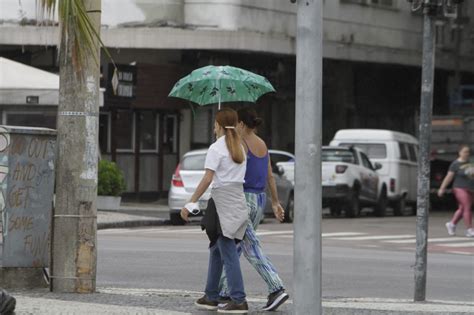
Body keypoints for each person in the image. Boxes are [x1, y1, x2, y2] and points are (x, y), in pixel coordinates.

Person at [219, 107, 289, 312]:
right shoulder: (263, 144)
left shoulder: (241, 143)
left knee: (249, 246)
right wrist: (275, 203)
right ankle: (224, 291)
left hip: (243, 198)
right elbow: (270, 177)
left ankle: (276, 287)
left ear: (240, 124)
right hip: (259, 200)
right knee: (236, 246)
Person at [180, 108, 249, 314]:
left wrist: (190, 202)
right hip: (237, 199)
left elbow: (208, 178)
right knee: (217, 248)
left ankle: (239, 299)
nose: (213, 127)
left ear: (218, 125)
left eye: (214, 123)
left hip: (221, 200)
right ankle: (211, 295)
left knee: (227, 251)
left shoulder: (216, 148)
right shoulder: (240, 147)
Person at [438, 145, 474, 237]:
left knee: (462, 209)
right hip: (459, 188)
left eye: (468, 152)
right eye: (465, 152)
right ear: (460, 152)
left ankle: (452, 224)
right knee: (467, 207)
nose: (467, 154)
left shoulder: (471, 162)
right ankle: (469, 229)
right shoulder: (455, 164)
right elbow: (449, 177)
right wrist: (442, 188)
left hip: (470, 189)